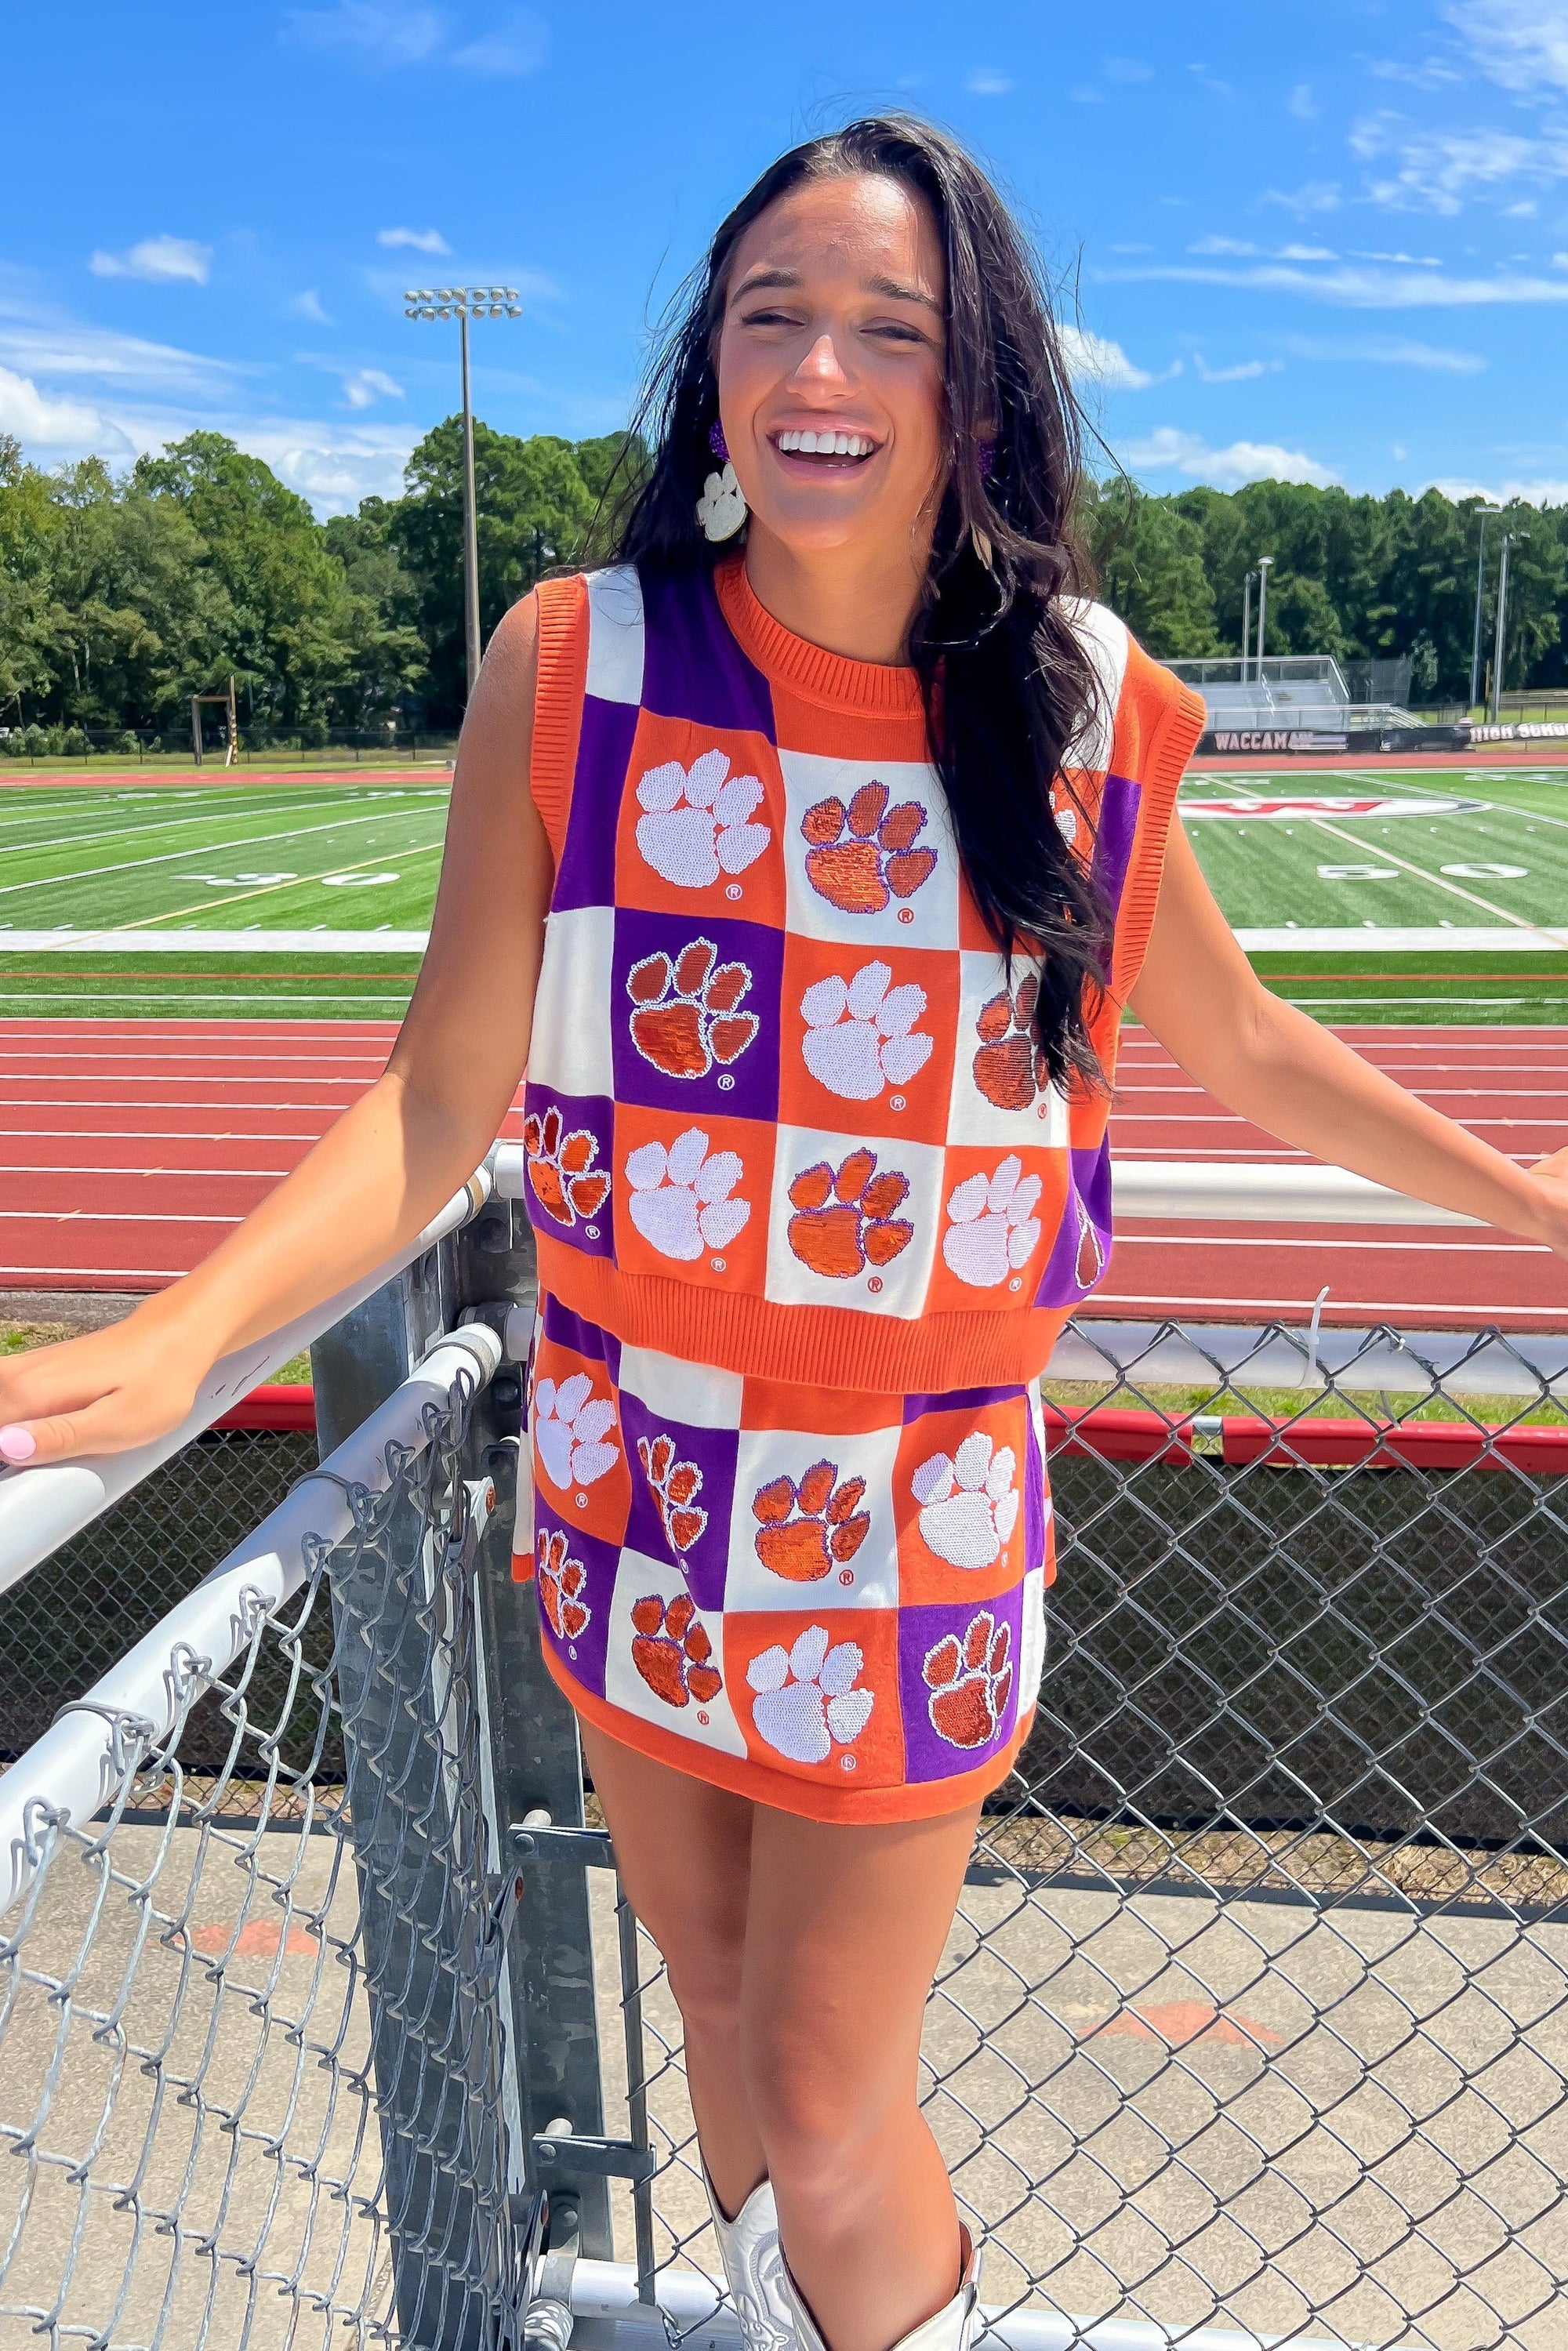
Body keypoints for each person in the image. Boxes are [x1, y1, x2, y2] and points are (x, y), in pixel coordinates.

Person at [4, 113, 1566, 2351]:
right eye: (772, 316)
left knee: (830, 2099)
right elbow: (446, 1095)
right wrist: (183, 1336)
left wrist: (1523, 1199)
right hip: (637, 1467)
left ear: (984, 393)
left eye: (890, 328)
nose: (820, 365)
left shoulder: (1075, 703)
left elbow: (1233, 1035)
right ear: (709, 369)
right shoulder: (576, 667)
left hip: (913, 1494)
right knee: (726, 2028)